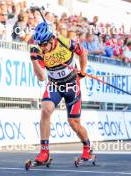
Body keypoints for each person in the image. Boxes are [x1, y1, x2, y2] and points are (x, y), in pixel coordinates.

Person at [30, 22, 92, 164]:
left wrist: (82, 72)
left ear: (52, 39)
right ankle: (44, 152)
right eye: (40, 44)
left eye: (44, 44)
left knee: (74, 123)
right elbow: (41, 77)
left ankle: (87, 147)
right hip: (55, 85)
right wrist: (34, 60)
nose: (42, 47)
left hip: (71, 85)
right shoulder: (39, 51)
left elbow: (82, 53)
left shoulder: (65, 43)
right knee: (45, 111)